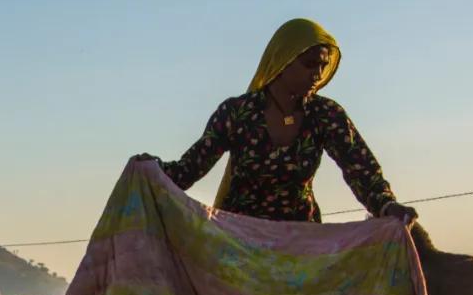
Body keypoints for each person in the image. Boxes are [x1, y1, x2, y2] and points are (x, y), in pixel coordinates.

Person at [139, 18, 417, 225]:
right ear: (283, 61)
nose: (317, 74)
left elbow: (361, 170)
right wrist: (150, 169)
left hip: (301, 242)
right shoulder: (238, 113)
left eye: (322, 65)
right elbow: (190, 169)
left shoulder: (325, 115)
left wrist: (386, 205)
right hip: (239, 243)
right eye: (309, 64)